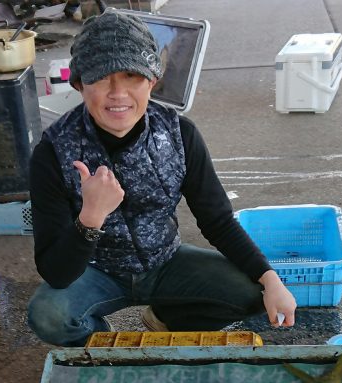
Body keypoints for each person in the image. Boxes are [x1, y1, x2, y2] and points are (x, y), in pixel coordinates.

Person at [27, 9, 296, 346]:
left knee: (254, 293)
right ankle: (103, 350)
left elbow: (218, 220)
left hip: (164, 260)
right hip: (96, 271)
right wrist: (90, 217)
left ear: (152, 80)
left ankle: (167, 319)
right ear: (80, 84)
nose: (118, 93)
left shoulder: (180, 134)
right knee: (49, 315)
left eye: (131, 76)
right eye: (101, 78)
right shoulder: (53, 152)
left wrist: (271, 279)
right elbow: (55, 272)